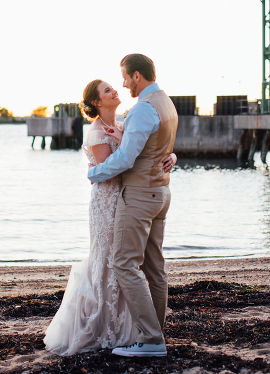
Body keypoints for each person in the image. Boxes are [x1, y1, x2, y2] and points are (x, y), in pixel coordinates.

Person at [43, 78, 176, 356]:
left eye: (113, 87)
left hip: (130, 199)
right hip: (109, 202)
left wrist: (170, 156)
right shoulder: (96, 133)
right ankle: (107, 328)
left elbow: (147, 146)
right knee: (107, 262)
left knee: (125, 264)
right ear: (96, 102)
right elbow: (113, 169)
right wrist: (96, 170)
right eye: (107, 91)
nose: (115, 90)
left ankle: (137, 330)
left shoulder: (127, 121)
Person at [87, 53, 178, 358]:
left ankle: (151, 340)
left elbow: (126, 159)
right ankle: (156, 334)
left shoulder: (142, 110)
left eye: (125, 78)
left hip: (140, 196)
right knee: (154, 266)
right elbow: (161, 145)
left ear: (137, 76)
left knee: (124, 263)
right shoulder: (167, 103)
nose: (123, 84)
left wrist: (94, 172)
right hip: (161, 193)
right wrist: (172, 157)